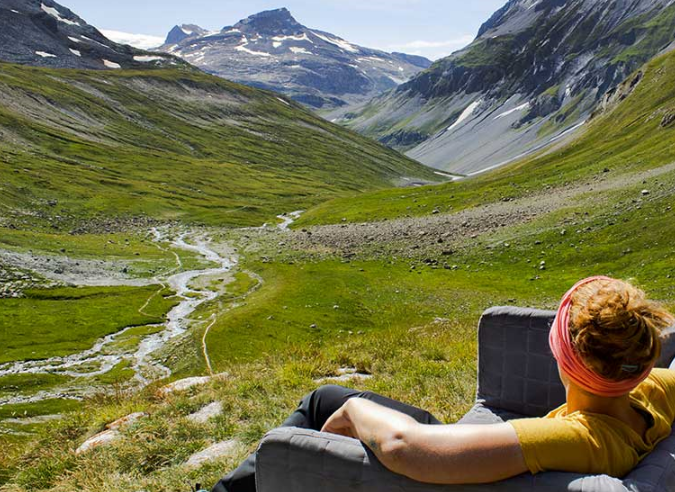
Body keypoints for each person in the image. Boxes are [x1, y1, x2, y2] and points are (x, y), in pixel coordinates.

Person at [213, 276, 675, 491]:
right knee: (326, 397)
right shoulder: (654, 391)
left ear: (564, 358)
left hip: (457, 468)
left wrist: (354, 413)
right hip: (484, 449)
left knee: (330, 403)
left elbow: (401, 446)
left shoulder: (572, 438)